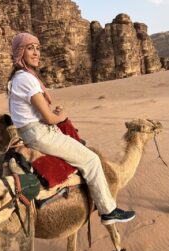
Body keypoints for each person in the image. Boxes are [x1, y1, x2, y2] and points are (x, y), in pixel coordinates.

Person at [8, 32, 136, 225]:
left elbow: (37, 112)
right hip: (40, 133)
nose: (36, 53)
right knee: (92, 160)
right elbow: (50, 119)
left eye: (37, 48)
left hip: (32, 131)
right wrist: (62, 116)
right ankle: (108, 211)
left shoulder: (18, 78)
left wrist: (55, 115)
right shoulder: (27, 79)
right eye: (29, 48)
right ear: (20, 51)